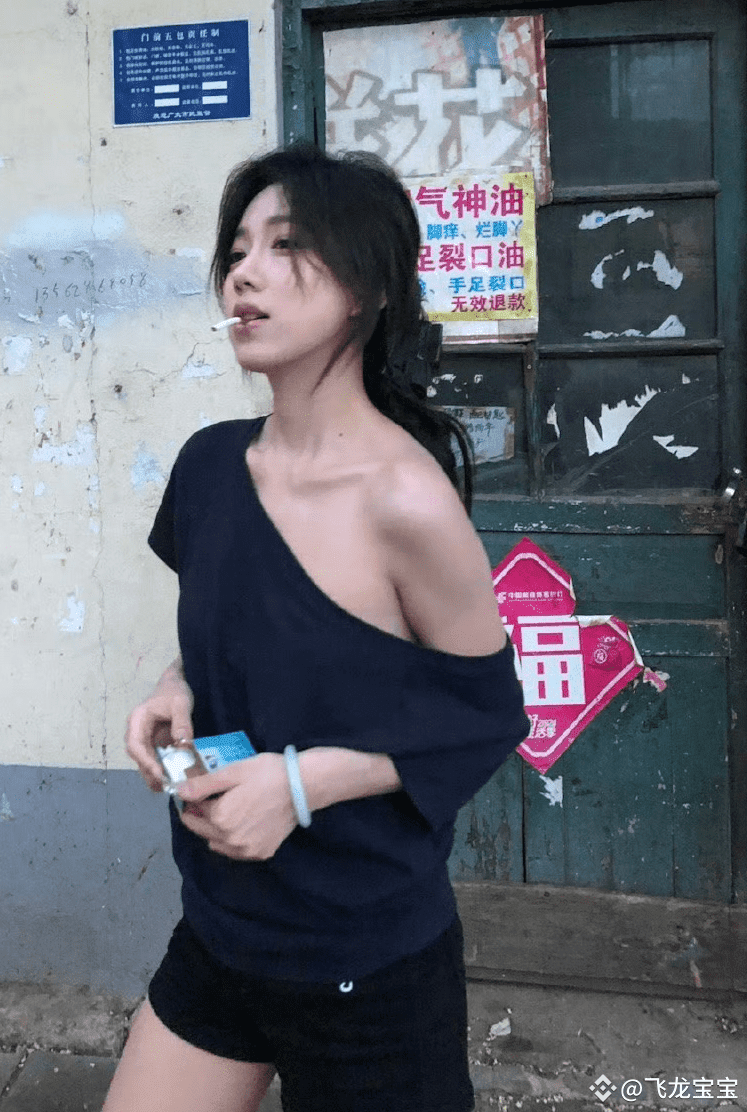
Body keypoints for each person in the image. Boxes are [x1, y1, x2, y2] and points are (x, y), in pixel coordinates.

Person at [103, 144, 529, 1112]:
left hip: (367, 959)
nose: (243, 274)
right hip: (221, 929)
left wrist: (302, 784)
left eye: (286, 245)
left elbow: (487, 715)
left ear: (367, 289)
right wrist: (176, 687)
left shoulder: (406, 500)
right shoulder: (209, 467)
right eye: (236, 250)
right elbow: (234, 632)